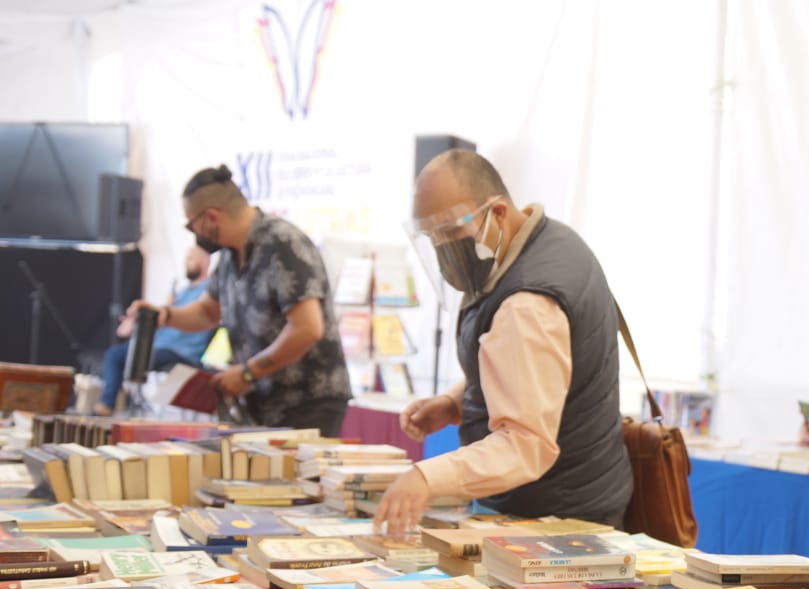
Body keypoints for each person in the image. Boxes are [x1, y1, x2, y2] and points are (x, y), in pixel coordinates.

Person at [373, 150, 633, 538]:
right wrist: (454, 402)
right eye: (431, 237)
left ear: (496, 214)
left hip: (558, 519)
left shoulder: (526, 302)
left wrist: (425, 478)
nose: (443, 249)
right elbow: (534, 368)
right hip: (573, 500)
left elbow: (525, 445)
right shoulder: (549, 240)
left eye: (450, 232)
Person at [129, 165, 351, 436]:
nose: (193, 233)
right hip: (262, 404)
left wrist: (247, 373)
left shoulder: (282, 243)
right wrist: (164, 316)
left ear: (211, 217)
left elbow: (307, 328)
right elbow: (207, 313)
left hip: (307, 403)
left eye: (192, 225)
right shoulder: (230, 256)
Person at [94, 246, 214, 415]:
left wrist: (166, 311)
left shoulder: (210, 291)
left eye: (192, 257)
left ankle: (110, 403)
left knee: (126, 355)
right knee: (119, 353)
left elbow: (200, 316)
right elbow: (166, 318)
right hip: (160, 345)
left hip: (181, 351)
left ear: (206, 261)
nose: (187, 262)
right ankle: (115, 402)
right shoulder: (181, 292)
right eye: (187, 258)